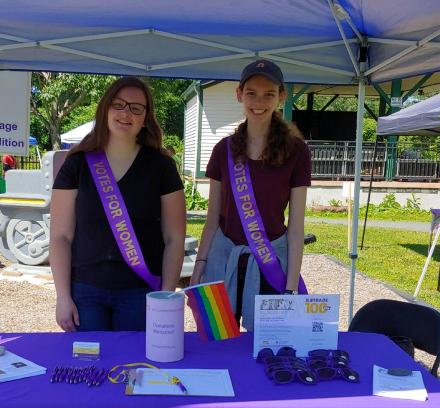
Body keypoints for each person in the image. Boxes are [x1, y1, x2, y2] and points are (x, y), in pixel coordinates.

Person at [50, 77, 186, 332]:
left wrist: (166, 297)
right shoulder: (76, 164)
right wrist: (62, 296)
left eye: (136, 108)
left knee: (136, 368)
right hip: (85, 292)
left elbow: (175, 238)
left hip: (141, 292)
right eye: (119, 104)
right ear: (105, 109)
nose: (126, 113)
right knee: (91, 368)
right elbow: (60, 237)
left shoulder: (162, 166)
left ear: (145, 118)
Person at [191, 59, 311, 330]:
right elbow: (212, 219)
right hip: (223, 260)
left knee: (268, 347)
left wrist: (291, 288)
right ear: (239, 94)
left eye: (269, 94)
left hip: (271, 262)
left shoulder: (297, 152)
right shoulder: (224, 150)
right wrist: (200, 265)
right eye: (251, 93)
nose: (259, 101)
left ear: (281, 96)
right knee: (218, 340)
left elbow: (296, 228)